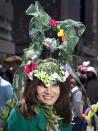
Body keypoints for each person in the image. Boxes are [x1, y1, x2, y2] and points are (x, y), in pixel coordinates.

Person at [4, 1, 85, 131]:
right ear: (33, 86)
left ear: (62, 87)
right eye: (42, 84)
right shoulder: (19, 116)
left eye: (54, 84)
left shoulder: (64, 114)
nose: (48, 91)